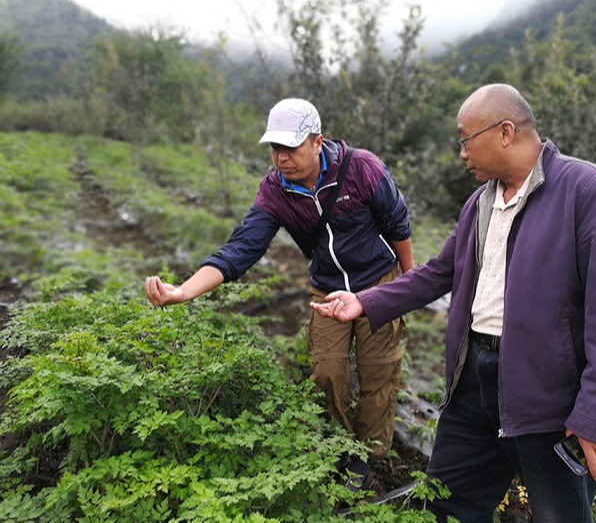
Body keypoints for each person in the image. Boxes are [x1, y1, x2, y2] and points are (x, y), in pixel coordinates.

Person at [311, 84, 596, 521]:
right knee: (448, 506)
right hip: (471, 383)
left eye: (466, 139)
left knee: (558, 514)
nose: (462, 153)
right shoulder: (481, 201)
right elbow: (440, 271)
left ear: (505, 132)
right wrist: (365, 301)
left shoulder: (587, 190)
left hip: (548, 396)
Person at [145, 98, 414, 484]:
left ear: (317, 142)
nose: (281, 158)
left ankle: (369, 456)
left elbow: (397, 223)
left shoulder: (361, 168)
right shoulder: (276, 191)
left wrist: (407, 284)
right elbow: (243, 248)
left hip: (379, 281)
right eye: (275, 148)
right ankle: (341, 450)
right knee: (326, 369)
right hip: (327, 289)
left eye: (290, 147)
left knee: (379, 372)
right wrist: (183, 292)